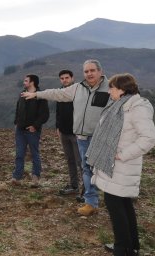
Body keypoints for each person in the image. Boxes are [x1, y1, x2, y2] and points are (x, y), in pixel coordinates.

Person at [22, 59, 109, 216]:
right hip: (82, 138)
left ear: (100, 71)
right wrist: (36, 94)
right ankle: (91, 202)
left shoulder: (110, 89)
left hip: (99, 138)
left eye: (92, 70)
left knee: (104, 170)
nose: (89, 74)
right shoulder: (78, 88)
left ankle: (118, 199)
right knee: (87, 170)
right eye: (86, 71)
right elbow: (57, 93)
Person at [86, 73, 155, 256]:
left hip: (121, 166)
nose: (109, 91)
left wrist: (123, 154)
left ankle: (123, 253)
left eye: (112, 88)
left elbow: (149, 138)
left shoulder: (137, 108)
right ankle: (131, 246)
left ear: (123, 89)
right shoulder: (120, 105)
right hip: (113, 168)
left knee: (118, 210)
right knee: (124, 207)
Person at [12, 74, 49, 186]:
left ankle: (35, 177)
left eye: (26, 81)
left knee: (34, 153)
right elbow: (18, 109)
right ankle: (17, 177)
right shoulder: (22, 94)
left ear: (32, 82)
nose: (24, 82)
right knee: (19, 153)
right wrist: (16, 122)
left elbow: (44, 115)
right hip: (20, 129)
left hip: (32, 131)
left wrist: (35, 126)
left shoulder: (40, 96)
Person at [55, 70, 82, 196]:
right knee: (69, 160)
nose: (64, 80)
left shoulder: (79, 92)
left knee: (80, 161)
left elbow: (81, 112)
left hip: (76, 133)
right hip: (63, 132)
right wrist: (57, 127)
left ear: (72, 78)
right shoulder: (60, 93)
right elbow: (58, 112)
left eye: (67, 77)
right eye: (62, 78)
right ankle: (74, 185)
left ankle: (86, 189)